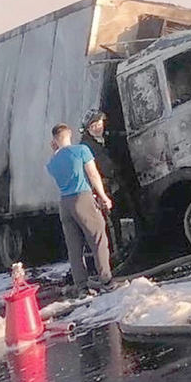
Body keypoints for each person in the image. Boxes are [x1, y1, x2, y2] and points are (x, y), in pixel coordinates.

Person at [46, 122, 113, 292]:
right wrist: (103, 196)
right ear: (69, 134)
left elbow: (62, 167)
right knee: (98, 238)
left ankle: (81, 286)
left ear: (54, 140)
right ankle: (106, 280)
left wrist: (55, 151)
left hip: (64, 204)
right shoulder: (81, 150)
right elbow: (93, 174)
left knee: (74, 246)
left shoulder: (52, 163)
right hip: (82, 197)